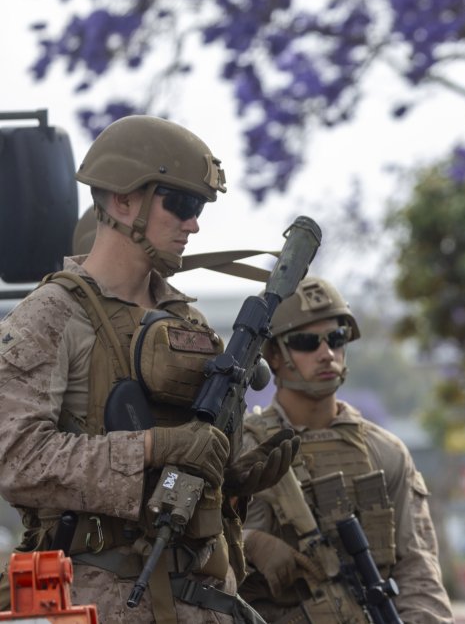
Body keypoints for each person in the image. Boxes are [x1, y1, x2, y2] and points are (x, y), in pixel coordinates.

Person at [0, 115, 297, 623]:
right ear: (122, 200)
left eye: (199, 207)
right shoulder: (51, 317)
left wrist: (233, 466)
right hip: (106, 598)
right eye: (180, 203)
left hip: (207, 598)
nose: (194, 223)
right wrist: (152, 448)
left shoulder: (189, 323)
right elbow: (18, 460)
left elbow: (196, 453)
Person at [238, 276, 453, 624]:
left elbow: (418, 571)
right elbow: (192, 561)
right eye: (307, 342)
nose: (326, 354)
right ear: (273, 355)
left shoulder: (385, 452)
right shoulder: (242, 453)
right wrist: (248, 544)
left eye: (336, 339)